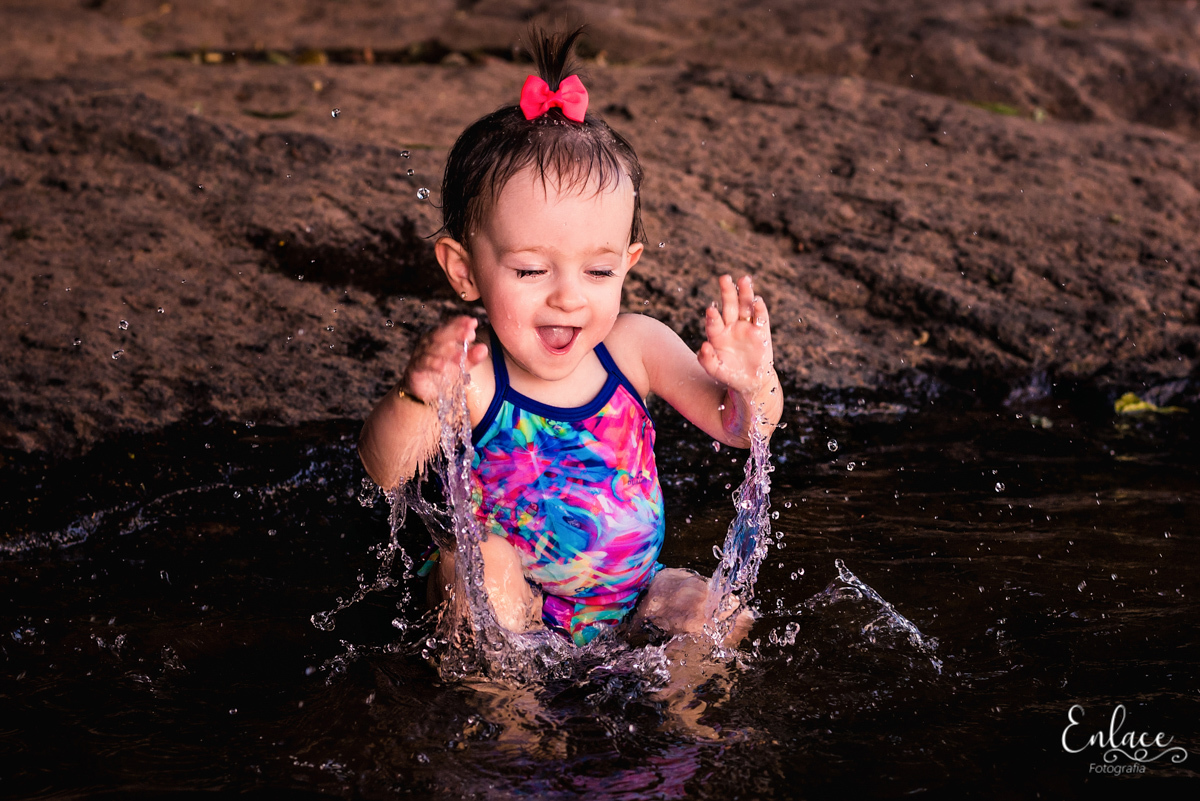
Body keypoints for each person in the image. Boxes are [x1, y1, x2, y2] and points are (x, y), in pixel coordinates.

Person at [358, 27, 782, 648]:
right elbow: (384, 472)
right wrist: (416, 395)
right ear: (465, 270)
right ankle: (512, 729)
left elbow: (744, 429)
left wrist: (753, 382)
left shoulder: (634, 348)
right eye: (531, 270)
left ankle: (684, 731)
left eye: (599, 270)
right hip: (508, 611)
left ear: (629, 263)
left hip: (630, 600)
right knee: (475, 566)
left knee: (706, 606)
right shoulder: (474, 376)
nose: (568, 296)